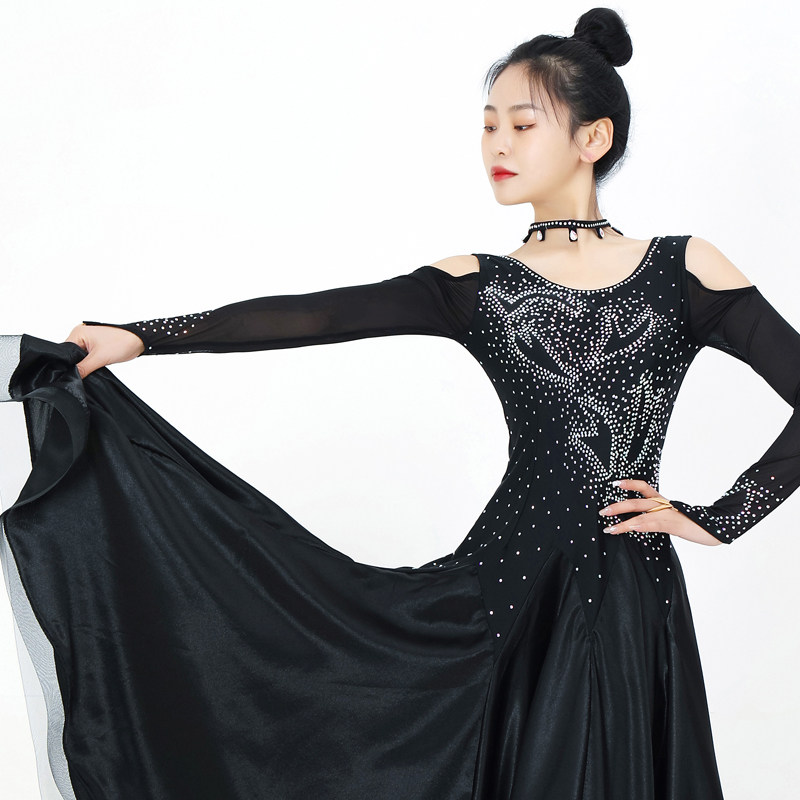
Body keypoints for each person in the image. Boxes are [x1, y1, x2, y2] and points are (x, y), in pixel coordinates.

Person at [2, 6, 798, 798]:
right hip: (506, 586)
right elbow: (316, 316)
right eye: (488, 126)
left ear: (593, 139)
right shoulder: (477, 284)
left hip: (629, 583)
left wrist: (723, 516)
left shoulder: (684, 269)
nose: (497, 145)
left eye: (523, 125)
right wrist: (143, 336)